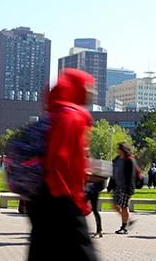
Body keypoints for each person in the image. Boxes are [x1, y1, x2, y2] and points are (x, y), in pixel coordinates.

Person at [28, 68, 97, 261]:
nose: (92, 92)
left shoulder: (54, 113)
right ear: (76, 88)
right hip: (61, 196)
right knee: (84, 252)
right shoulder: (72, 116)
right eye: (88, 87)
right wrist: (75, 198)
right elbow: (61, 159)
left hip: (41, 197)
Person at [107, 142, 137, 235]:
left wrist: (130, 189)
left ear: (123, 150)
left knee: (124, 207)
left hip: (126, 187)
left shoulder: (129, 160)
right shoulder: (116, 160)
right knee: (115, 206)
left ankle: (124, 227)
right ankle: (128, 220)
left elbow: (132, 175)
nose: (117, 150)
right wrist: (110, 187)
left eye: (119, 148)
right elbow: (113, 174)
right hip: (117, 187)